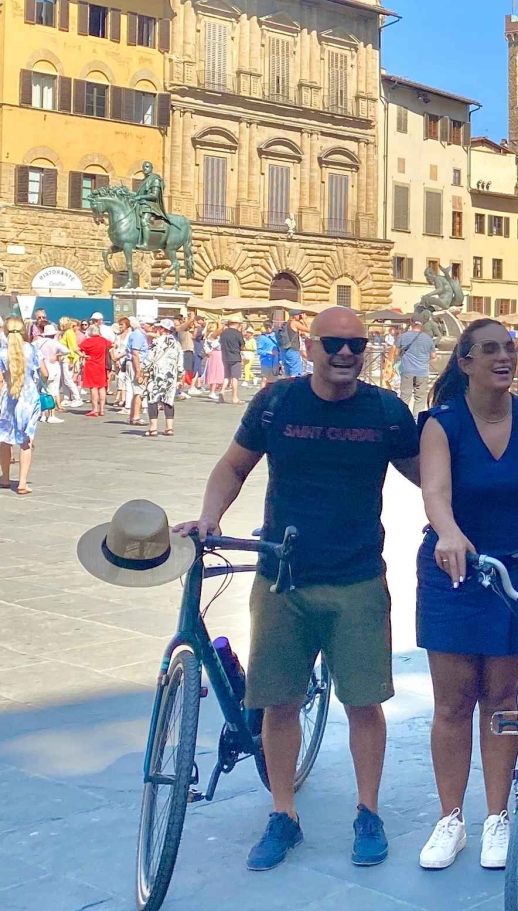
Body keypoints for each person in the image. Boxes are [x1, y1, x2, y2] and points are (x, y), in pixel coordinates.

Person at [176, 307, 420, 872]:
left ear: (366, 349)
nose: (344, 353)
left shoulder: (386, 412)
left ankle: (368, 811)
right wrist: (210, 515)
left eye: (356, 344)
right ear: (309, 347)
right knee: (277, 702)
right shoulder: (277, 403)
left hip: (358, 577)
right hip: (282, 578)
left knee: (365, 702)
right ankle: (282, 814)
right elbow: (233, 468)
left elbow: (431, 477)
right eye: (333, 342)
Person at [414, 318, 518, 872]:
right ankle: (451, 818)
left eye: (510, 348)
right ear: (466, 363)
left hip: (514, 570)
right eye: (491, 350)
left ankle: (497, 818)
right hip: (453, 572)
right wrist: (449, 532)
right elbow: (434, 492)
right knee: (452, 701)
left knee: (502, 700)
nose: (505, 357)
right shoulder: (442, 423)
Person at [0, 317, 43, 495]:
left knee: (6, 438)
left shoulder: (1, 353)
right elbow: (44, 372)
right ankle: (22, 482)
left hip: (8, 398)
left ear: (5, 331)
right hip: (29, 398)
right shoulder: (32, 349)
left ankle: (5, 477)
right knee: (27, 440)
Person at [142, 320, 182, 437]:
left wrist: (143, 371)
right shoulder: (176, 343)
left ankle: (153, 428)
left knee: (153, 399)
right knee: (168, 400)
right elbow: (180, 362)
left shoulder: (156, 342)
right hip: (171, 375)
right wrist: (180, 375)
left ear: (162, 329)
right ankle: (169, 428)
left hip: (157, 374)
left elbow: (150, 358)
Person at [395, 317, 436, 416]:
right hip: (422, 371)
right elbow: (433, 356)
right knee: (420, 397)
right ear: (421, 324)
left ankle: (403, 417)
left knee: (405, 395)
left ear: (411, 323)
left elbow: (397, 353)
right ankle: (416, 419)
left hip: (407, 370)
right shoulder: (427, 338)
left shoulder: (404, 336)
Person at [31, 324, 67, 424]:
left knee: (41, 390)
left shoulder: (37, 343)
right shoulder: (54, 343)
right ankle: (51, 415)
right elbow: (66, 351)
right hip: (53, 367)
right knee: (52, 391)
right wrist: (57, 355)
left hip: (41, 367)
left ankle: (42, 414)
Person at [78, 319, 113, 418]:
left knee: (93, 388)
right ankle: (102, 409)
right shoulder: (103, 340)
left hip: (91, 365)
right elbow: (114, 344)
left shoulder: (88, 341)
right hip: (102, 365)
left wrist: (83, 356)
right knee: (102, 387)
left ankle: (95, 409)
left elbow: (77, 349)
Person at [126, 316, 150, 425]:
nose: (152, 326)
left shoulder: (139, 334)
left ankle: (133, 416)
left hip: (135, 363)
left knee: (137, 391)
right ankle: (135, 417)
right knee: (139, 391)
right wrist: (138, 371)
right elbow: (135, 354)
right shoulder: (138, 335)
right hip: (137, 364)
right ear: (143, 324)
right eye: (150, 324)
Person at [216, 317, 245, 404]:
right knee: (234, 378)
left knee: (226, 376)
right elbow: (242, 346)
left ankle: (222, 391)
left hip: (225, 356)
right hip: (235, 357)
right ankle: (234, 398)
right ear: (237, 324)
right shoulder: (238, 333)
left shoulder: (223, 333)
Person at [58, 317, 84, 408]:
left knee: (68, 379)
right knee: (64, 379)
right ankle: (66, 398)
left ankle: (77, 398)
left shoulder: (69, 333)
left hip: (68, 358)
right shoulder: (66, 333)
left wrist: (72, 360)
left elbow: (72, 347)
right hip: (63, 358)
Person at [277, 313, 304, 379]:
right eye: (299, 315)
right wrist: (304, 320)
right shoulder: (294, 323)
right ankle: (294, 388)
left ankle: (288, 387)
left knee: (288, 373)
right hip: (293, 349)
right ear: (295, 316)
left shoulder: (285, 324)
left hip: (285, 350)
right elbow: (310, 330)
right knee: (295, 373)